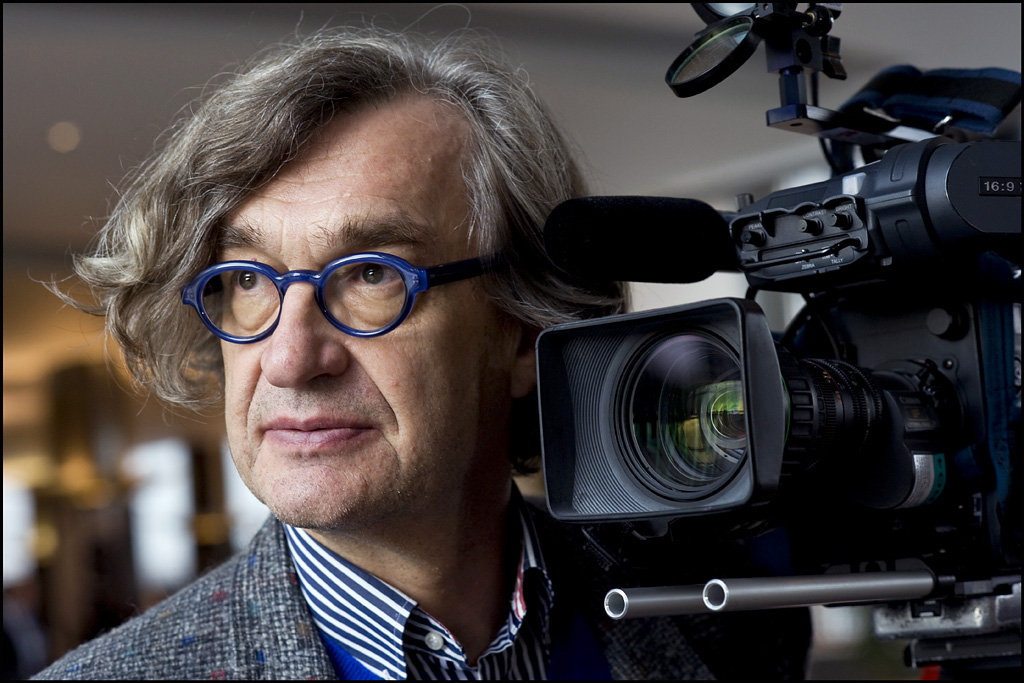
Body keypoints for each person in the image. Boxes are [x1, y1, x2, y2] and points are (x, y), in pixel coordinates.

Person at [35, 26, 809, 680]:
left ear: (523, 328)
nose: (291, 358)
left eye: (371, 274)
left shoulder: (727, 617)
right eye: (248, 279)